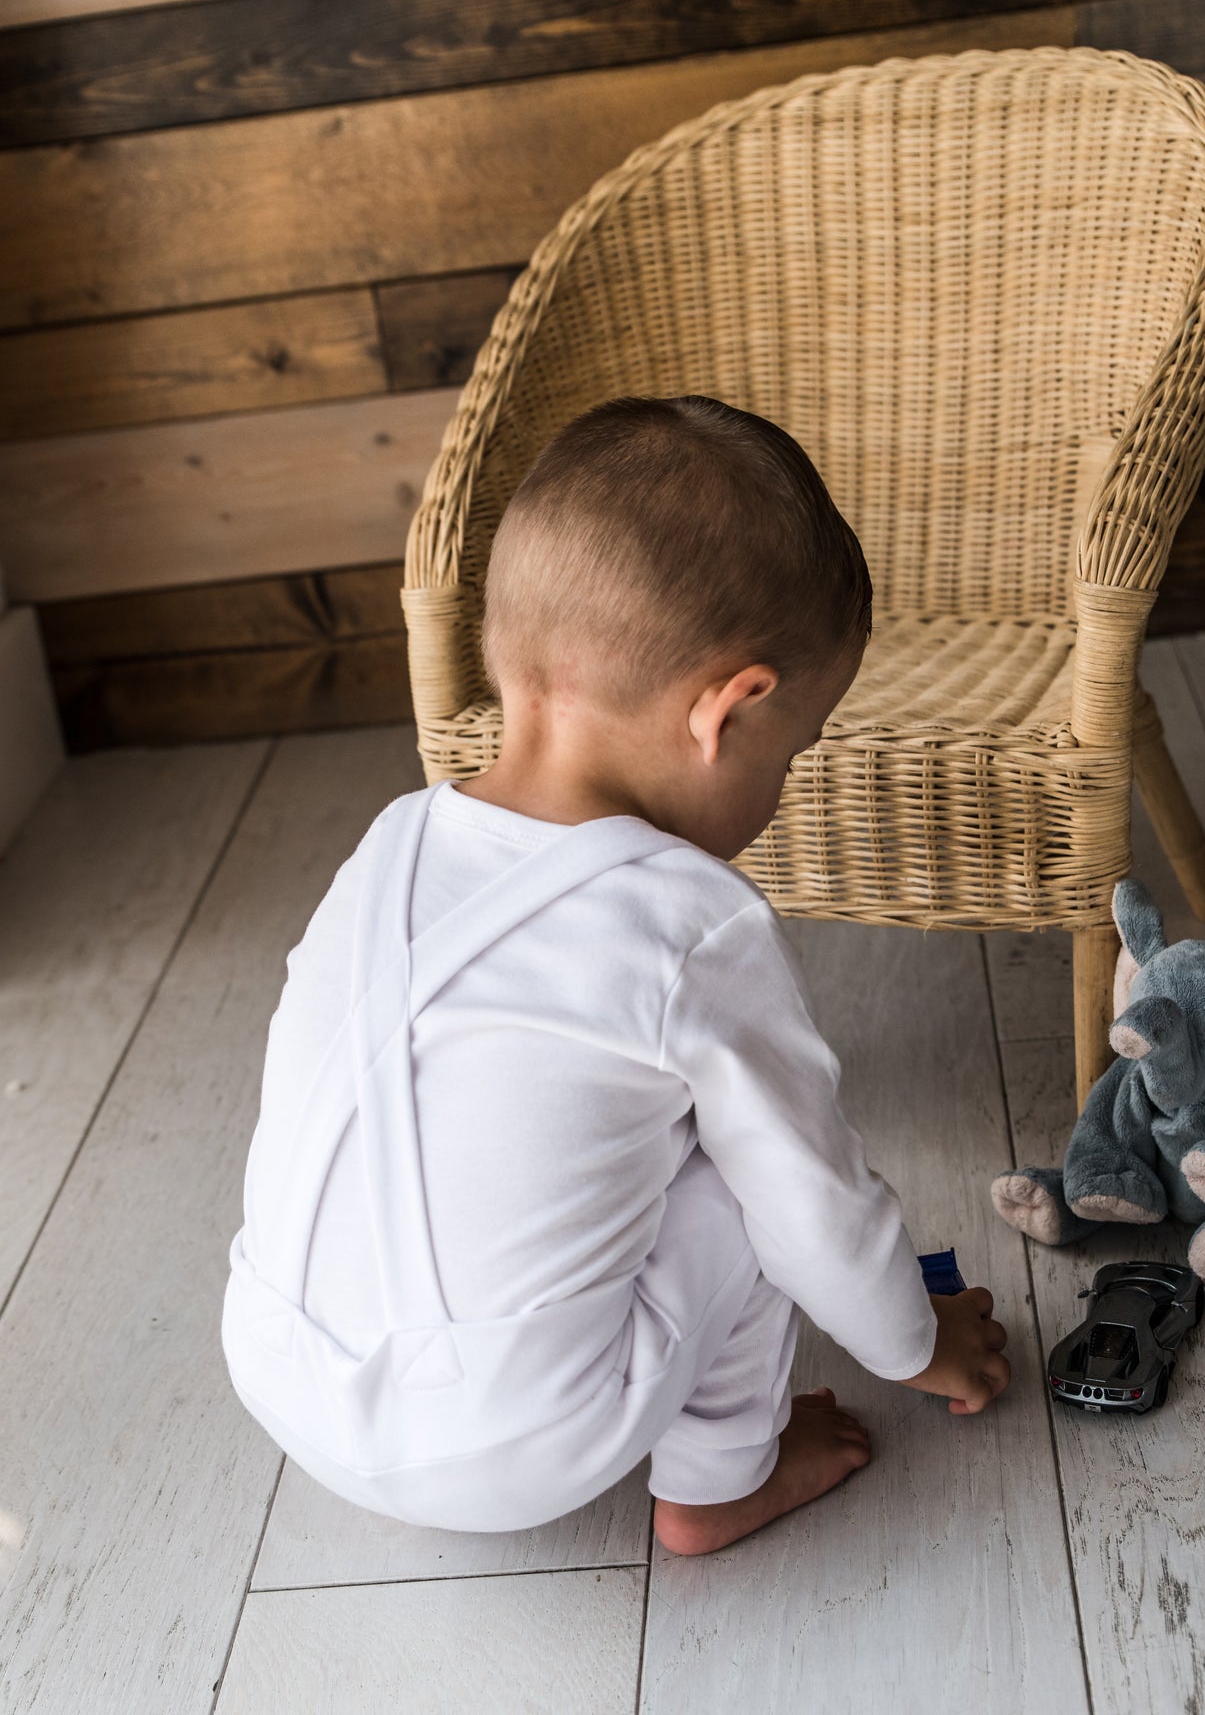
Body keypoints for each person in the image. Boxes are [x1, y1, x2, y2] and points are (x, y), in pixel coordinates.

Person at [222, 395, 1010, 1558]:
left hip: (281, 1372)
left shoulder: (391, 842)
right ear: (729, 711)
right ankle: (719, 1480)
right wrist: (916, 1345)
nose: (779, 786)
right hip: (509, 1445)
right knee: (745, 1175)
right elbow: (813, 1206)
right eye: (789, 753)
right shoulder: (687, 917)